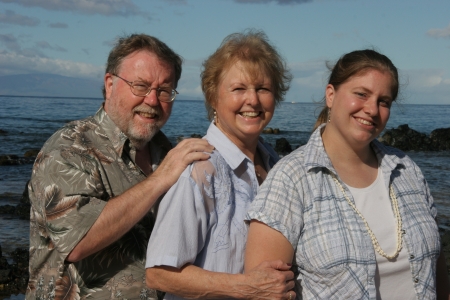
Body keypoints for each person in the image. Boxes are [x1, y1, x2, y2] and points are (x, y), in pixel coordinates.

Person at [245, 49, 450, 299]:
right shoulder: (292, 178)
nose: (372, 109)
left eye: (383, 101)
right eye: (361, 94)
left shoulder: (406, 169)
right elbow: (261, 291)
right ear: (331, 95)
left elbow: (437, 270)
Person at [26, 33, 214, 299]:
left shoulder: (166, 152)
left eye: (163, 91)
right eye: (140, 86)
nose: (152, 100)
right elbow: (78, 241)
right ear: (110, 84)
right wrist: (160, 179)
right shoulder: (69, 148)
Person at [145, 29, 296, 299]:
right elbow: (160, 273)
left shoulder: (277, 165)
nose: (253, 100)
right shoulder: (200, 169)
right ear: (214, 97)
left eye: (263, 88)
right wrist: (248, 287)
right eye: (239, 88)